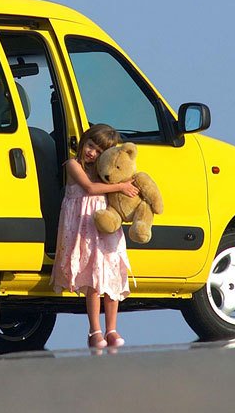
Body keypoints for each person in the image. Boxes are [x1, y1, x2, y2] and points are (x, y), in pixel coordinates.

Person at [50, 123, 139, 348]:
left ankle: (112, 329)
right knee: (94, 280)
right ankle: (94, 331)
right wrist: (120, 187)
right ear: (84, 141)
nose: (92, 153)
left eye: (99, 151)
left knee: (111, 276)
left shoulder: (103, 170)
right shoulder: (72, 165)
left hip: (104, 225)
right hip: (83, 225)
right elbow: (89, 188)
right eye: (90, 146)